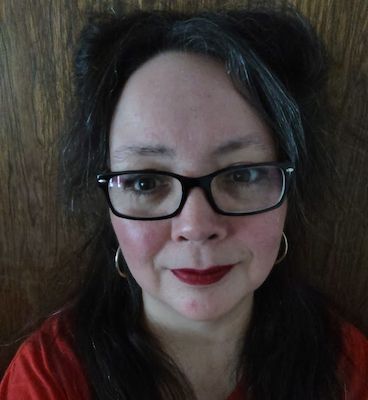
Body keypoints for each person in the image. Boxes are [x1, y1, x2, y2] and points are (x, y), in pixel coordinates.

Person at [1, 5, 367, 400]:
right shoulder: (49, 378)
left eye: (241, 175)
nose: (196, 225)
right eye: (146, 182)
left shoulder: (344, 369)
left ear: (289, 190)